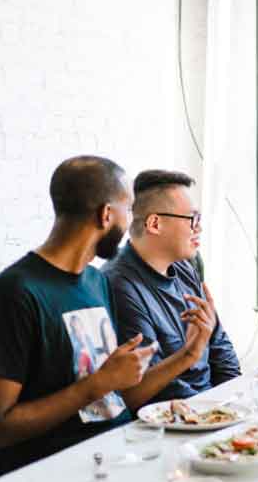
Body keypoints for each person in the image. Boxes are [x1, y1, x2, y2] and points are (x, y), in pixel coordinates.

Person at [0, 156, 158, 475]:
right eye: (129, 210)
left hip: (116, 460)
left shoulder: (97, 281)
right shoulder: (12, 294)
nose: (129, 224)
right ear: (106, 214)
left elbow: (111, 392)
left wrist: (191, 351)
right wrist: (97, 384)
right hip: (57, 481)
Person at [102, 170, 240, 405]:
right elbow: (154, 388)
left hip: (212, 411)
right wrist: (212, 414)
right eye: (192, 219)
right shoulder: (119, 285)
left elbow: (220, 347)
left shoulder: (186, 265)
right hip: (171, 420)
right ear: (155, 223)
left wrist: (235, 402)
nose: (199, 228)